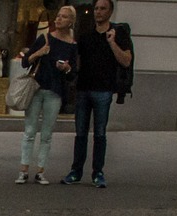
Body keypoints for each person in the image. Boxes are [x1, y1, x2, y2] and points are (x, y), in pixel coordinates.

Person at [61, 0, 132, 188]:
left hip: (104, 90)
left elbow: (126, 61)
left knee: (100, 133)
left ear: (110, 12)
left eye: (103, 9)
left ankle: (98, 172)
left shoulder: (119, 34)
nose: (98, 12)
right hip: (84, 89)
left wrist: (112, 43)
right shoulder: (86, 36)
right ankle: (76, 171)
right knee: (80, 133)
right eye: (96, 9)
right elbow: (78, 62)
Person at [16, 5, 78, 184]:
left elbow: (73, 73)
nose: (59, 19)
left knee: (47, 134)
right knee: (29, 131)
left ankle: (41, 171)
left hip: (55, 92)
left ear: (71, 21)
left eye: (64, 17)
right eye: (58, 16)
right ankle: (23, 170)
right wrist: (39, 53)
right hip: (36, 88)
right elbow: (25, 62)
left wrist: (66, 68)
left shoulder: (72, 46)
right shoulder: (44, 38)